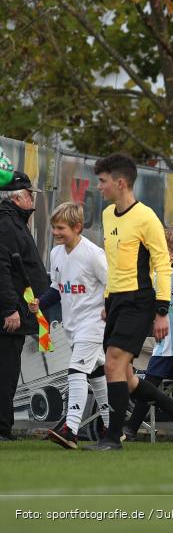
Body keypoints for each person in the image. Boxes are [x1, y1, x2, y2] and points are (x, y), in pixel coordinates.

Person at [84, 154, 173, 451]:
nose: (99, 186)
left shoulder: (146, 217)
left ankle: (112, 438)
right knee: (126, 376)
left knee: (114, 364)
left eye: (103, 181)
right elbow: (115, 264)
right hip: (117, 301)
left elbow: (163, 265)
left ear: (120, 183)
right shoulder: (107, 215)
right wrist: (107, 300)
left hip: (140, 301)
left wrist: (161, 312)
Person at [32, 202, 109, 449]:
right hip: (72, 326)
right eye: (54, 227)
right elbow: (57, 287)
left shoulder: (93, 254)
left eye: (60, 228)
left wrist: (110, 307)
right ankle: (111, 425)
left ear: (77, 228)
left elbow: (113, 284)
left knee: (76, 370)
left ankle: (71, 429)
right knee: (96, 375)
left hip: (93, 325)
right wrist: (40, 303)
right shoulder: (56, 254)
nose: (55, 232)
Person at [123, 227, 173, 441]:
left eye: (159, 250)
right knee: (148, 387)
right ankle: (131, 428)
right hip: (164, 347)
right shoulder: (150, 278)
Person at [0, 171, 49, 441]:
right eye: (31, 195)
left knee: (8, 372)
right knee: (5, 373)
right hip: (11, 314)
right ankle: (1, 429)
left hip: (20, 309)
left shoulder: (13, 222)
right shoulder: (7, 225)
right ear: (18, 197)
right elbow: (2, 269)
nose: (34, 201)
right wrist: (10, 308)